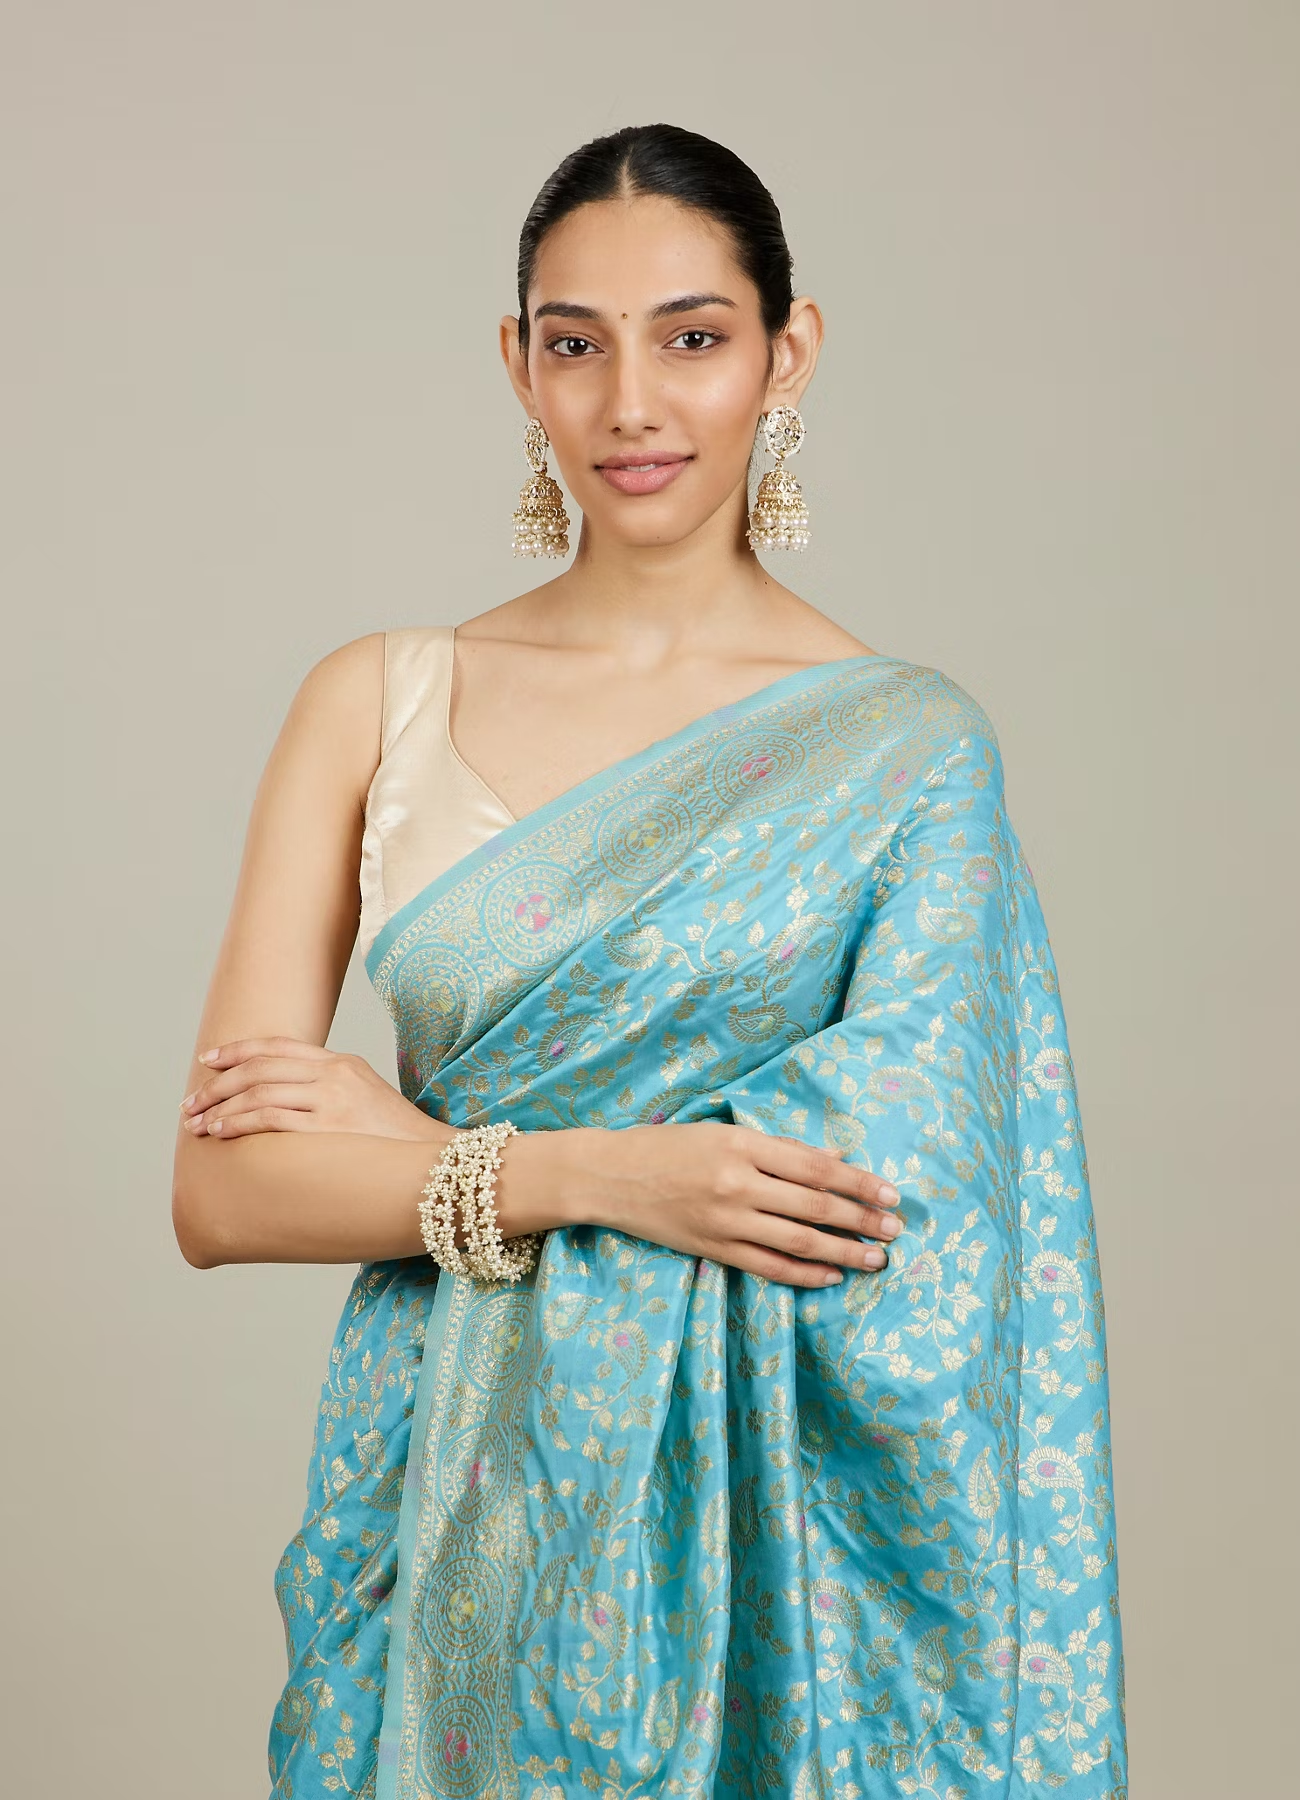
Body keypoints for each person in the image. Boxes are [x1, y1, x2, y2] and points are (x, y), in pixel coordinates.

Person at [173, 123, 1127, 1800]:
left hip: (776, 1587)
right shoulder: (377, 702)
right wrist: (590, 1174)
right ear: (517, 365)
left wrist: (425, 1153)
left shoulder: (906, 754)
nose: (631, 403)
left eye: (691, 338)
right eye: (576, 344)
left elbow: (895, 1228)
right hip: (448, 1511)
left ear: (786, 352)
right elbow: (224, 1194)